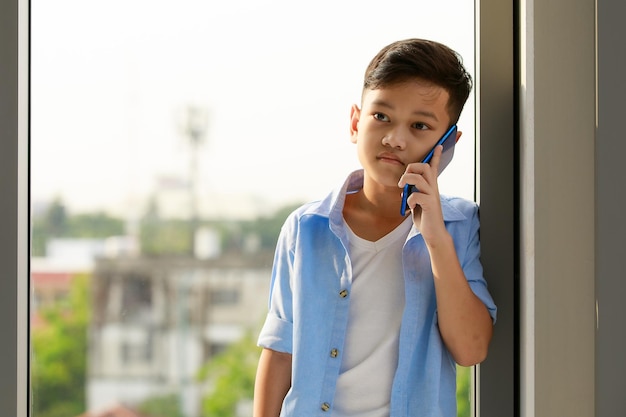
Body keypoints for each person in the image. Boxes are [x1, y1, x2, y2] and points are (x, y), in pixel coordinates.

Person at [253, 38, 497, 417]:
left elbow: (471, 349)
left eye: (419, 126)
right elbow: (280, 351)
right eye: (381, 116)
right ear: (355, 121)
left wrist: (435, 239)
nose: (394, 139)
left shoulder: (460, 228)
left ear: (447, 145)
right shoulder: (306, 228)